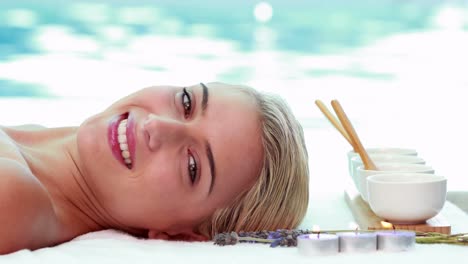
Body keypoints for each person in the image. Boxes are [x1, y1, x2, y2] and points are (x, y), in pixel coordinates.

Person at [0, 82, 309, 254]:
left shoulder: (14, 198)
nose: (156, 125)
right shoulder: (31, 149)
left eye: (192, 165)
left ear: (181, 236)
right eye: (187, 103)